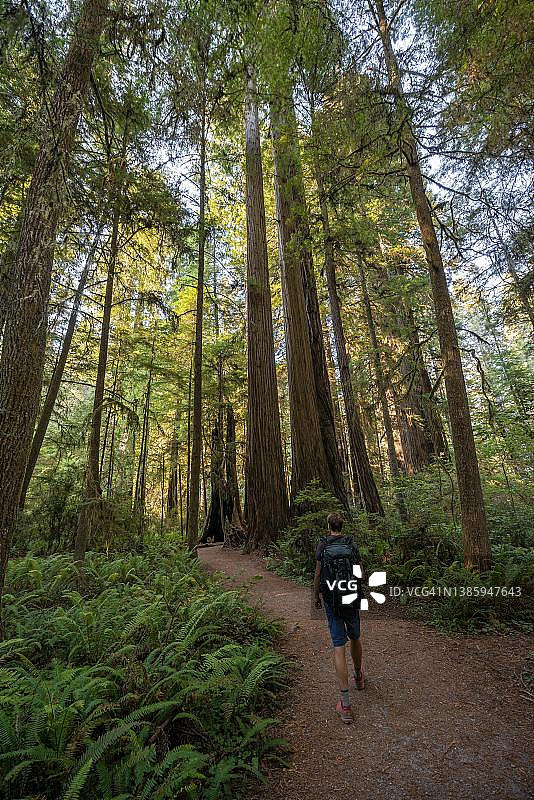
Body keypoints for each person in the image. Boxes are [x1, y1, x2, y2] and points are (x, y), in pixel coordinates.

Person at [314, 511, 365, 724]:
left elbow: (318, 573)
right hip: (351, 595)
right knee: (355, 637)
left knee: (338, 645)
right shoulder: (351, 545)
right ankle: (359, 676)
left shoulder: (323, 545)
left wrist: (316, 596)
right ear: (342, 526)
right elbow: (360, 571)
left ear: (328, 526)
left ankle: (345, 704)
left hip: (332, 599)